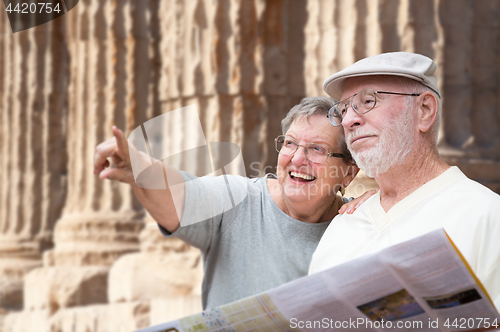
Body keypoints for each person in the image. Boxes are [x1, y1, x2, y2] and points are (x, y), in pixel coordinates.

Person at [94, 97, 374, 309]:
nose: (297, 159)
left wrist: (387, 203)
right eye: (289, 143)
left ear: (349, 172)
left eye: (317, 149)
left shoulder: (359, 222)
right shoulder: (237, 199)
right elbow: (181, 197)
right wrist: (140, 169)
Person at [308, 52, 500, 310]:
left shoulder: (486, 215)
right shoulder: (345, 223)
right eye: (343, 109)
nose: (347, 120)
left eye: (367, 100)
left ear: (424, 110)